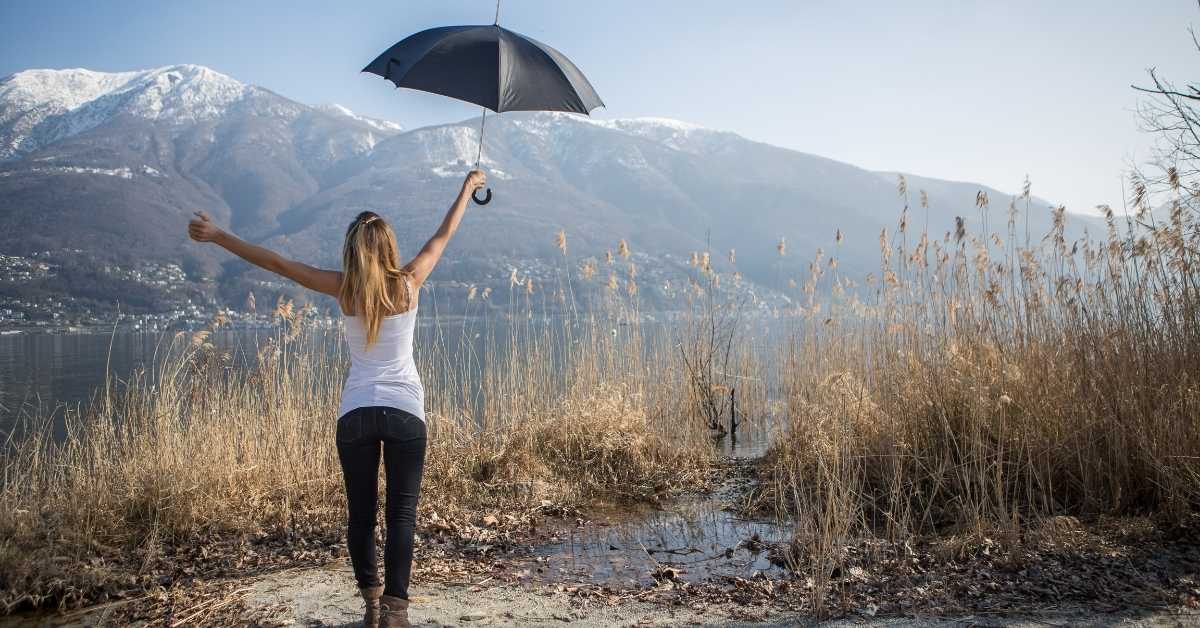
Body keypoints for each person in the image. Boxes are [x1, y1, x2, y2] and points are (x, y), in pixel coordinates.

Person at [187, 170, 487, 628]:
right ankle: (395, 612)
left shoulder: (344, 289)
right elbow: (443, 234)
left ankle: (370, 605)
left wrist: (219, 236)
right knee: (401, 515)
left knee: (362, 515)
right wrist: (466, 189)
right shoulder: (408, 284)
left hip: (356, 416)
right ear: (389, 247)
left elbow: (279, 265)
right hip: (405, 413)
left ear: (352, 250)